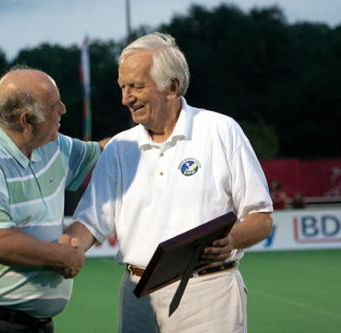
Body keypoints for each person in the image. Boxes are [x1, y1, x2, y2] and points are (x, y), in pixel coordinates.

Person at [62, 32, 274, 332]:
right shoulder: (119, 147)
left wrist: (233, 240)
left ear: (172, 86)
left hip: (209, 294)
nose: (126, 98)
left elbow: (261, 218)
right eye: (122, 87)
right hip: (137, 295)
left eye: (136, 86)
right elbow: (89, 222)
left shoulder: (221, 130)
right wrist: (62, 249)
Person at [0, 66, 109, 332]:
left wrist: (156, 136)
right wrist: (61, 255)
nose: (63, 109)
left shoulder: (52, 145)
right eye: (55, 106)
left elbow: (105, 153)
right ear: (27, 121)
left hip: (28, 325)